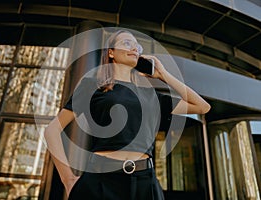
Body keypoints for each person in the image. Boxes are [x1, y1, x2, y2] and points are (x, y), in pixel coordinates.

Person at [44, 29, 211, 200]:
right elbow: (52, 130)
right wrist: (68, 179)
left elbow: (202, 107)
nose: (134, 49)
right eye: (126, 43)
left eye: (137, 46)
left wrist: (164, 75)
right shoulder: (91, 86)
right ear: (111, 53)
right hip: (101, 179)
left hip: (144, 182)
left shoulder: (151, 96)